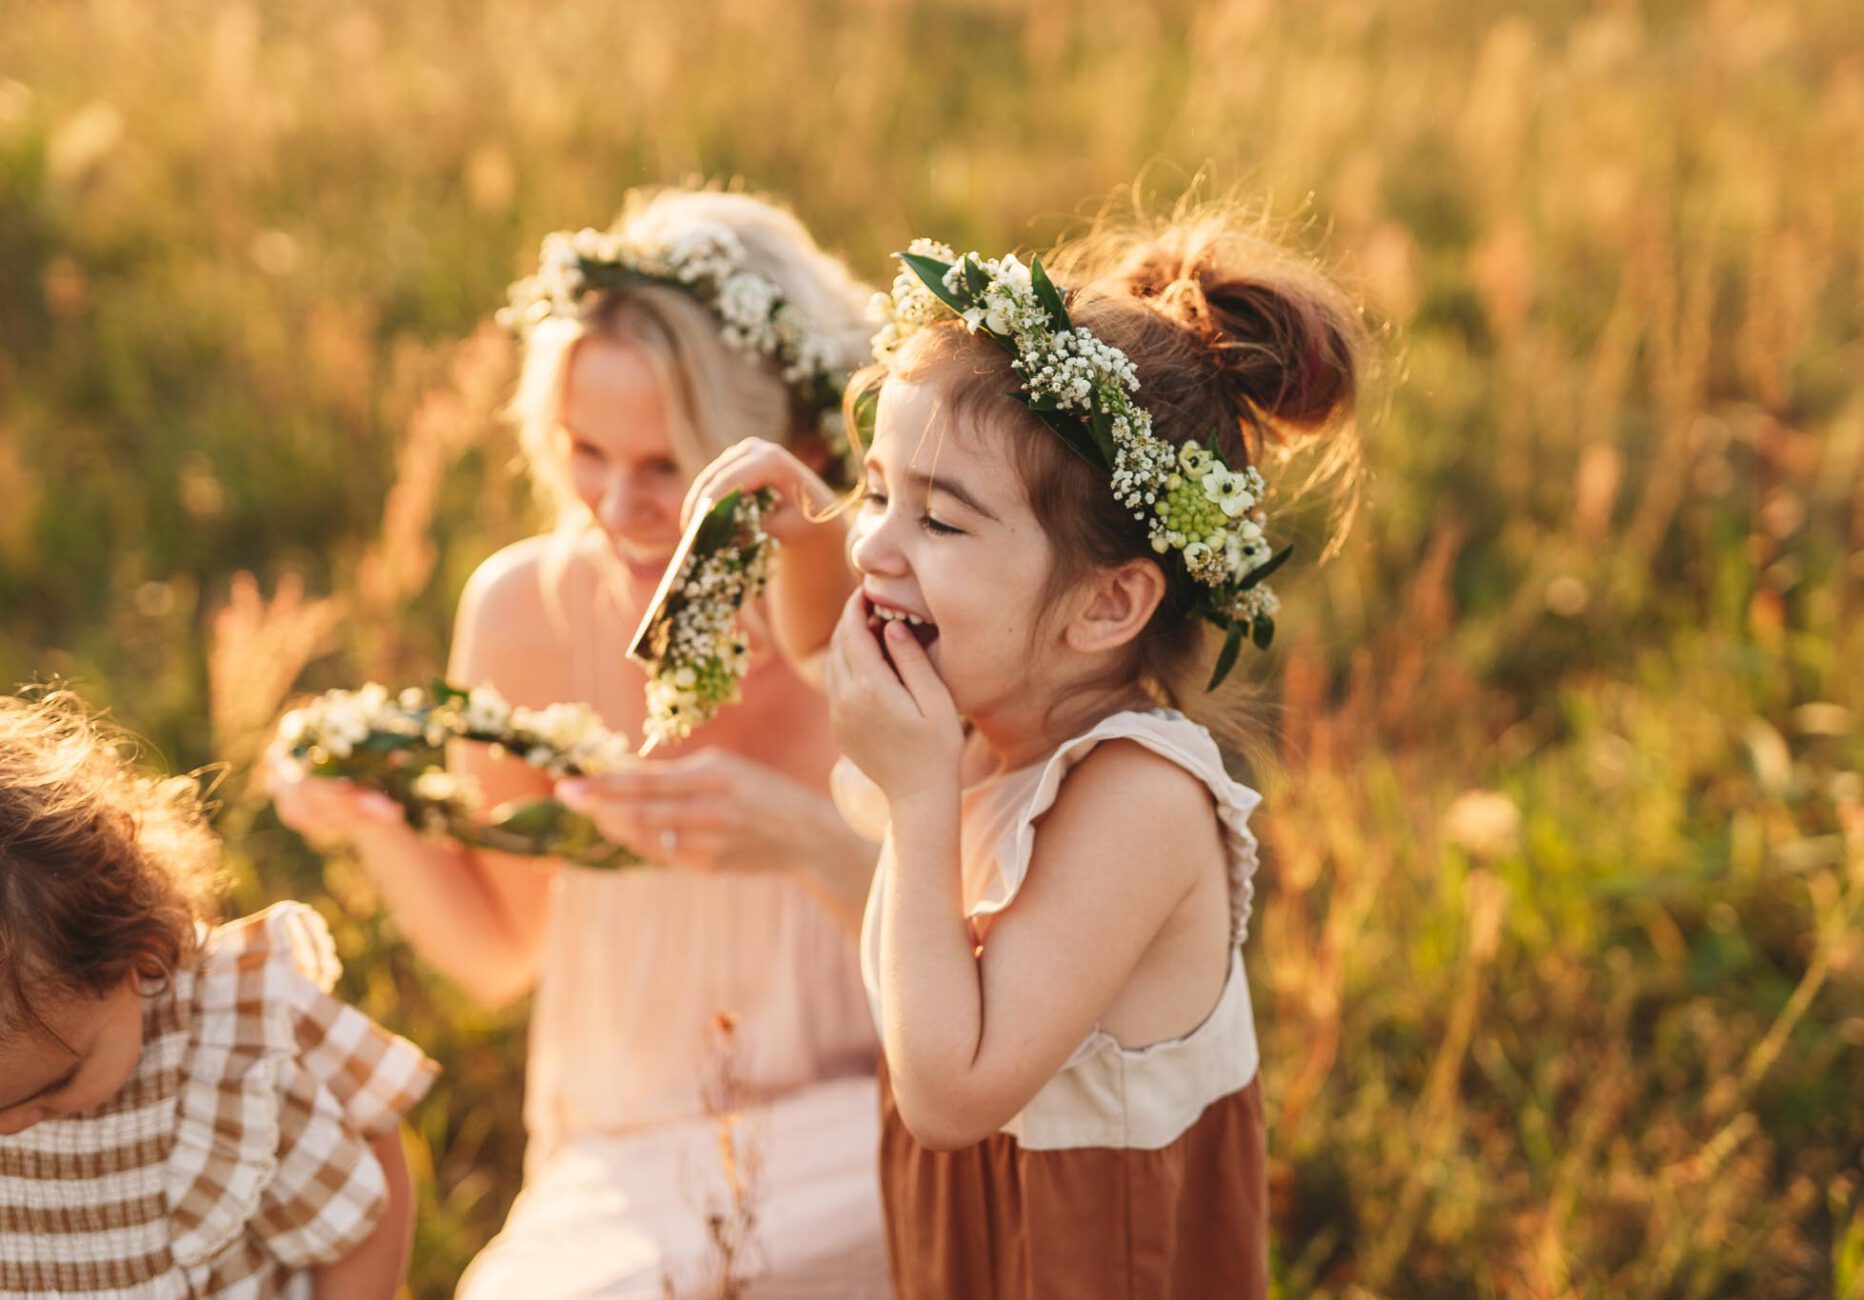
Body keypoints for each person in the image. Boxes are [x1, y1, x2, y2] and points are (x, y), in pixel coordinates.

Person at [687, 210, 1364, 1297]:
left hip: (1093, 1258)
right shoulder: (993, 696)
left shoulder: (1139, 796)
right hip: (975, 1249)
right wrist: (796, 527)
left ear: (1108, 603)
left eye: (940, 523)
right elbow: (827, 649)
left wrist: (919, 801)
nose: (874, 545)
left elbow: (951, 1097)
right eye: (874, 492)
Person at [267, 189, 893, 1298]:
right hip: (625, 1156)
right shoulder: (526, 610)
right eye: (585, 450)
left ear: (795, 450)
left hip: (876, 1132)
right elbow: (500, 952)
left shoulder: (890, 624)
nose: (616, 504)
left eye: (669, 467)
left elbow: (993, 970)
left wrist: (805, 840)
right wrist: (378, 816)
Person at [0, 689, 435, 1298]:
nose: (12, 1127)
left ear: (142, 959)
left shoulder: (227, 1044)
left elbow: (363, 1203)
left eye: (50, 1092)